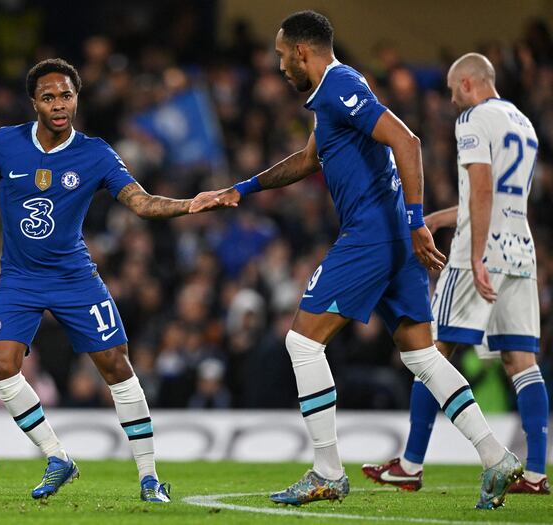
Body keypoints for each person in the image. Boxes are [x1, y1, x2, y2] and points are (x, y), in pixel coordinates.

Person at [190, 11, 521, 509]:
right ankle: (497, 457)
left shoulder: (341, 83)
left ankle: (326, 470)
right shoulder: (332, 96)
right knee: (423, 357)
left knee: (301, 343)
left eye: (282, 56)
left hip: (373, 234)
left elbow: (407, 141)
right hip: (388, 237)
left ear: (303, 51)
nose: (279, 66)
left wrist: (415, 221)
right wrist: (242, 189)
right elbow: (308, 159)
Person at [0, 58, 195, 502]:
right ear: (34, 103)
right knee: (0, 365)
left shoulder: (95, 153)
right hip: (20, 278)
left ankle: (150, 477)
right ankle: (58, 457)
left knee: (116, 366)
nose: (59, 104)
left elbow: (141, 202)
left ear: (76, 97)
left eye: (66, 95)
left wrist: (191, 205)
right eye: (49, 97)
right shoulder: (4, 143)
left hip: (74, 276)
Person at [363, 53, 548, 495]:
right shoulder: (523, 123)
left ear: (468, 83)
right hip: (521, 248)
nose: (451, 100)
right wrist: (441, 218)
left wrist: (478, 255)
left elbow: (482, 188)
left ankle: (410, 464)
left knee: (432, 352)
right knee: (521, 362)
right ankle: (537, 474)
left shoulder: (474, 121)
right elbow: (500, 198)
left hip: (476, 252)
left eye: (452, 91)